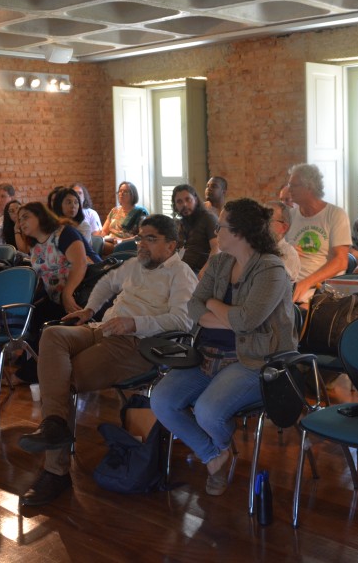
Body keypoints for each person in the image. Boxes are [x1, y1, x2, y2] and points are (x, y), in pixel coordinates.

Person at [17, 215, 198, 506]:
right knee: (52, 335)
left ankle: (55, 471)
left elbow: (183, 320)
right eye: (140, 237)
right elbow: (105, 283)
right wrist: (89, 309)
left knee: (63, 379)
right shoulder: (136, 265)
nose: (142, 244)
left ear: (171, 245)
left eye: (151, 238)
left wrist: (134, 324)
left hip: (138, 344)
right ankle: (53, 424)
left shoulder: (181, 273)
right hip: (103, 328)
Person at [151, 198, 297, 497]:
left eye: (223, 226)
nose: (217, 231)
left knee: (207, 412)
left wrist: (214, 306)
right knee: (162, 400)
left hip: (254, 361)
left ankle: (214, 451)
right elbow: (193, 306)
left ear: (240, 232)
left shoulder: (271, 269)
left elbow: (246, 321)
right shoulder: (219, 261)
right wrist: (228, 317)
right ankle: (214, 454)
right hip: (207, 355)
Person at [15, 202, 100, 383]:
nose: (21, 222)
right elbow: (43, 276)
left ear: (41, 216)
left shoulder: (64, 233)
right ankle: (29, 363)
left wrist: (67, 293)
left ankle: (31, 374)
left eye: (25, 217)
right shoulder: (35, 244)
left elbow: (81, 263)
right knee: (32, 314)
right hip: (58, 296)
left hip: (84, 294)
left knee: (49, 326)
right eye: (19, 219)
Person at [285, 163, 351, 304]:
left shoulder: (335, 214)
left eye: (293, 185)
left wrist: (305, 283)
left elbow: (341, 261)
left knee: (297, 315)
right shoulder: (289, 216)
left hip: (323, 289)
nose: (288, 190)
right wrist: (286, 250)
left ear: (309, 187)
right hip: (290, 285)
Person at [172, 184, 219, 275]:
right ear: (175, 205)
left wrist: (205, 271)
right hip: (182, 270)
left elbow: (217, 248)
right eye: (179, 201)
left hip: (201, 272)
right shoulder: (179, 223)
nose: (184, 205)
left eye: (188, 200)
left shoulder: (208, 218)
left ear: (196, 200)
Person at [101, 181, 148, 253]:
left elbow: (141, 236)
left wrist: (121, 241)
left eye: (125, 191)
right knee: (95, 243)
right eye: (120, 191)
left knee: (99, 246)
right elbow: (104, 231)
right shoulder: (114, 211)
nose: (121, 194)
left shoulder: (140, 212)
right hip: (111, 241)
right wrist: (103, 238)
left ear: (133, 194)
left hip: (126, 244)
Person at [265, 200, 301, 282]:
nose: (262, 223)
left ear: (283, 227)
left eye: (268, 219)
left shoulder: (289, 254)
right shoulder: (252, 247)